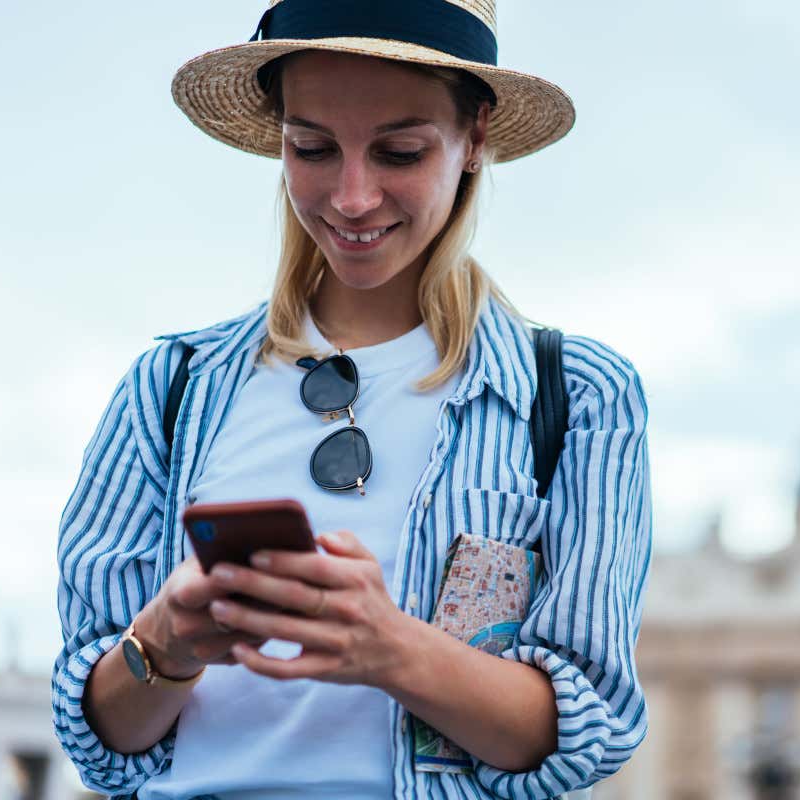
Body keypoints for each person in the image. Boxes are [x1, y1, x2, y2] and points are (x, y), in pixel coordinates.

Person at [51, 2, 652, 798]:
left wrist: (389, 648)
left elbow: (587, 731)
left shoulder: (578, 397)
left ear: (475, 139)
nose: (354, 196)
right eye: (313, 148)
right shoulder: (169, 388)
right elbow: (102, 742)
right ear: (279, 138)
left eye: (400, 151)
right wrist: (167, 640)